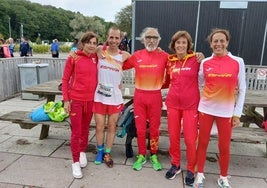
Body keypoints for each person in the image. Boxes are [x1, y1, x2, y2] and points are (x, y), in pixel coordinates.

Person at [193, 28, 246, 188]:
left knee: (224, 146)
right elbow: (198, 83)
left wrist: (237, 114)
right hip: (206, 110)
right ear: (211, 44)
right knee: (202, 143)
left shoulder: (238, 61)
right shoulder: (205, 62)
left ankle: (223, 177)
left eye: (222, 40)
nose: (218, 44)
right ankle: (200, 174)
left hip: (226, 112)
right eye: (215, 41)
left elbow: (242, 88)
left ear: (227, 42)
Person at [122, 27, 168, 171]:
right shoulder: (136, 55)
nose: (151, 40)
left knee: (154, 129)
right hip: (140, 97)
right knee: (140, 129)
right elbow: (119, 65)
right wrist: (117, 52)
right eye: (148, 37)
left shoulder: (165, 56)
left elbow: (180, 61)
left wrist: (198, 55)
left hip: (155, 97)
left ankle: (153, 154)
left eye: (155, 37)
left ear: (159, 40)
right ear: (143, 39)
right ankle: (141, 154)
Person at [162, 30, 200, 186]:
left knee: (190, 140)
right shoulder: (169, 61)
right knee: (173, 137)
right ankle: (175, 164)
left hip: (191, 105)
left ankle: (191, 168)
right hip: (173, 105)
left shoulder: (196, 60)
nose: (181, 45)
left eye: (184, 42)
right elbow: (165, 80)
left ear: (188, 45)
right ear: (174, 45)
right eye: (178, 42)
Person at [61, 31, 98, 179]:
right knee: (76, 132)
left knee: (85, 129)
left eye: (95, 43)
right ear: (82, 43)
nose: (92, 45)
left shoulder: (96, 57)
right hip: (75, 100)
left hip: (90, 101)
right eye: (89, 42)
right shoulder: (73, 57)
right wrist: (66, 100)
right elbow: (64, 80)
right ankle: (75, 162)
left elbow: (110, 49)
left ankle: (82, 151)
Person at [93, 26, 131, 168]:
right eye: (111, 37)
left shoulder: (125, 55)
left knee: (112, 126)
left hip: (115, 97)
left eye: (116, 38)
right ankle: (100, 151)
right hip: (100, 97)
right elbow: (84, 50)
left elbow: (141, 60)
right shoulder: (99, 51)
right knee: (99, 126)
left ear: (120, 39)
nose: (114, 40)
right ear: (107, 38)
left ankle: (108, 152)